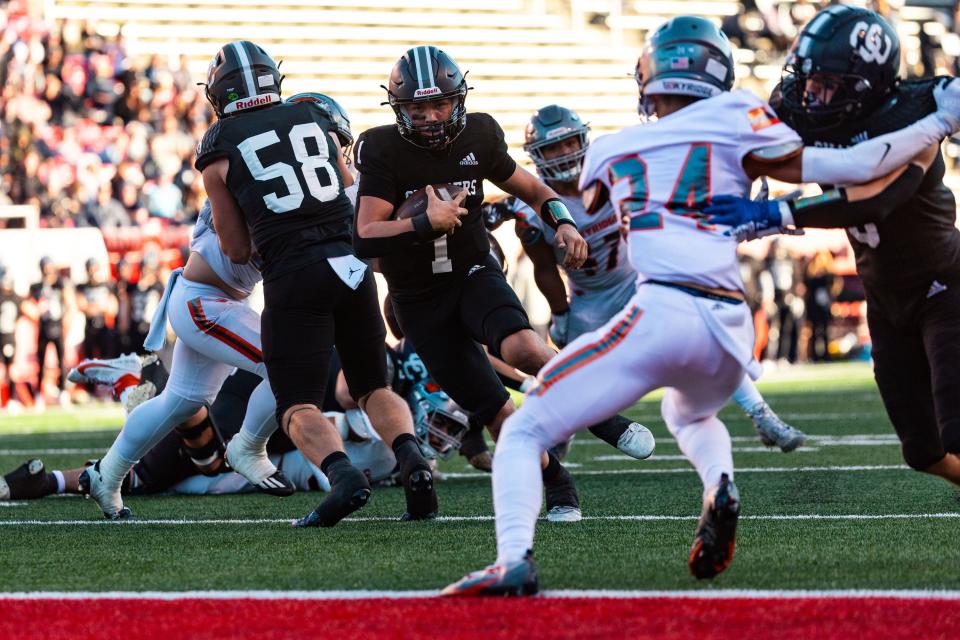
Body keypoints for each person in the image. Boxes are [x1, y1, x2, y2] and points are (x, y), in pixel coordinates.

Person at [443, 15, 960, 596]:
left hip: (663, 312)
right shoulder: (742, 114)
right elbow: (857, 168)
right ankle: (720, 483)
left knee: (524, 429)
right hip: (730, 329)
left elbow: (582, 198)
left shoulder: (613, 147)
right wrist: (941, 116)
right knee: (688, 415)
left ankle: (512, 558)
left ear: (652, 77)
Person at [354, 45, 650, 523]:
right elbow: (365, 235)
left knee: (524, 349)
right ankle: (558, 481)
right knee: (496, 410)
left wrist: (565, 224)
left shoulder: (480, 133)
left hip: (472, 274)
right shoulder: (382, 149)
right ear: (399, 109)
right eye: (417, 108)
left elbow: (535, 190)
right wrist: (424, 223)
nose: (430, 117)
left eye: (440, 105)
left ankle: (603, 416)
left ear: (459, 100)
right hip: (417, 298)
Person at [700, 6, 960, 486]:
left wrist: (774, 214)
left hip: (945, 288)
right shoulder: (804, 110)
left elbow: (875, 201)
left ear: (868, 84)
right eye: (809, 79)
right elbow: (744, 151)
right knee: (923, 452)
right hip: (886, 301)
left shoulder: (916, 119)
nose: (811, 94)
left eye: (828, 84)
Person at [196, 41, 436, 527]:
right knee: (372, 386)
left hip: (294, 272)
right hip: (352, 263)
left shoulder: (216, 146)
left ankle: (343, 477)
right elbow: (348, 191)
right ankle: (412, 460)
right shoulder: (314, 114)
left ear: (219, 94)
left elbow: (237, 249)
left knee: (296, 403)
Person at [487, 104, 807, 452]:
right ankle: (556, 438)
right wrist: (561, 313)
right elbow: (545, 269)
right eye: (553, 148)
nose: (564, 153)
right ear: (538, 155)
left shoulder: (615, 174)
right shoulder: (533, 207)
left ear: (583, 139)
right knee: (572, 379)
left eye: (569, 143)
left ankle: (762, 416)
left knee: (703, 338)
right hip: (589, 301)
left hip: (639, 281)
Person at [25, 256, 73, 407]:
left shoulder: (60, 284)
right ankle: (38, 395)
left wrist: (67, 323)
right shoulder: (37, 286)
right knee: (40, 362)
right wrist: (34, 313)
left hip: (57, 325)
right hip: (43, 327)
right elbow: (26, 304)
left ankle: (63, 393)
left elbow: (69, 304)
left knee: (61, 361)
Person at [75, 257, 118, 361]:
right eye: (90, 269)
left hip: (104, 327)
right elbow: (82, 306)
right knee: (89, 361)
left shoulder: (107, 285)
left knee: (106, 359)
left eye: (94, 269)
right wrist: (101, 306)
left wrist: (93, 306)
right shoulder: (82, 287)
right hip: (89, 327)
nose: (92, 272)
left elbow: (112, 308)